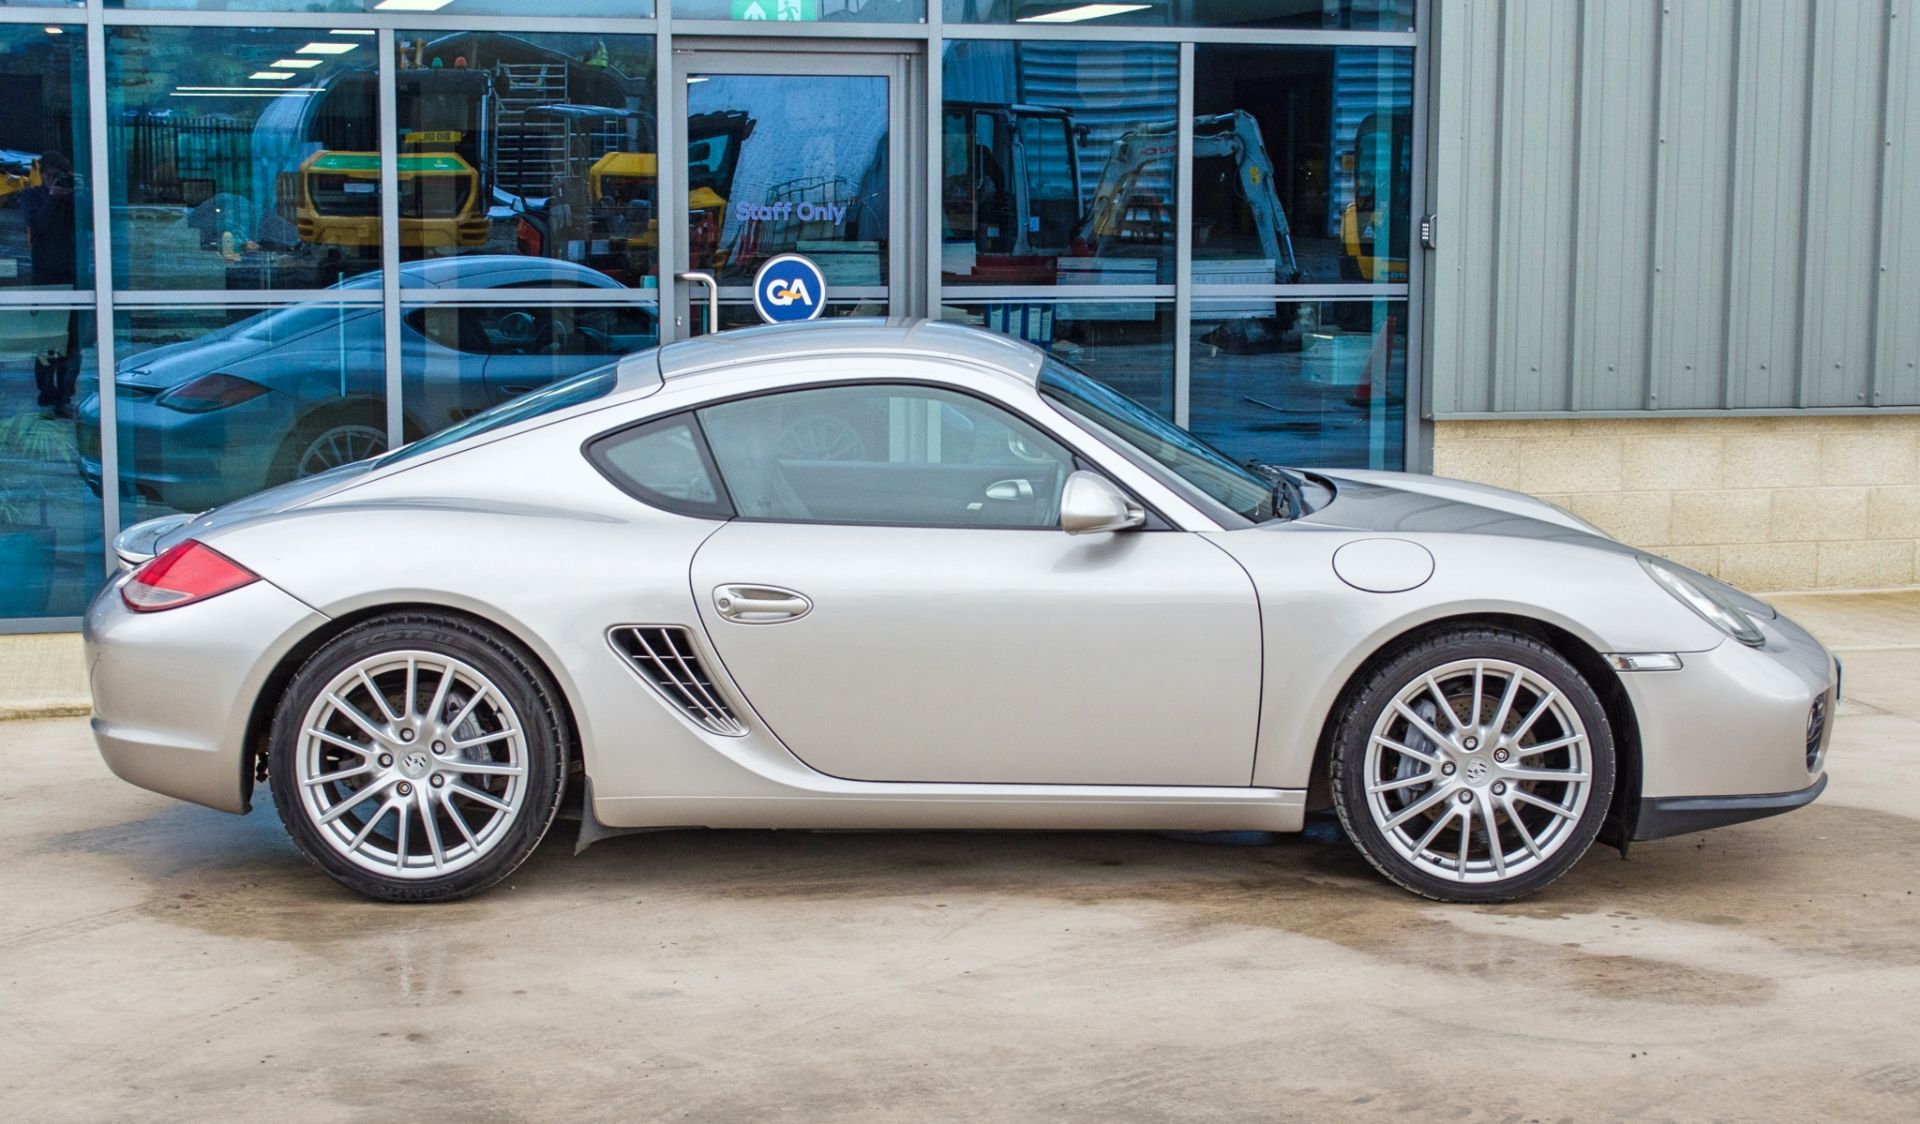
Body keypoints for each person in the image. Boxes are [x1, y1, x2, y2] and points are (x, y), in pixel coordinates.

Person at [20, 152, 84, 418]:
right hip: (46, 277)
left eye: (60, 176)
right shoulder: (33, 196)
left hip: (73, 276)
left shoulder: (73, 198)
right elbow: (37, 228)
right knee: (47, 341)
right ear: (43, 175)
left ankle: (65, 396)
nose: (55, 181)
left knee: (71, 341)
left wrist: (80, 192)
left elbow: (92, 220)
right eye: (51, 176)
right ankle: (47, 393)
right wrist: (51, 197)